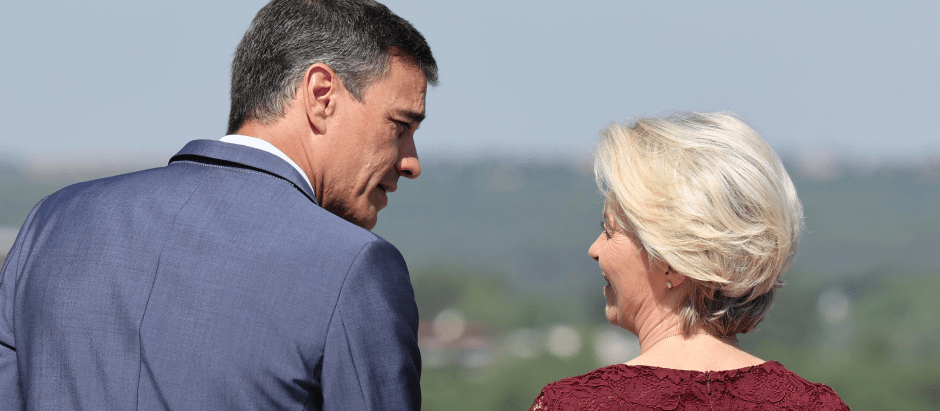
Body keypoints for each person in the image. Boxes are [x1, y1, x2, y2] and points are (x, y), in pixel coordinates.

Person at [0, 0, 437, 409]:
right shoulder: (354, 266)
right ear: (322, 94)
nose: (411, 162)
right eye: (400, 126)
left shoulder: (53, 222)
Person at [530, 113, 849, 410]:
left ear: (672, 262)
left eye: (610, 231)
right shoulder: (814, 405)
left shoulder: (571, 404)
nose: (595, 249)